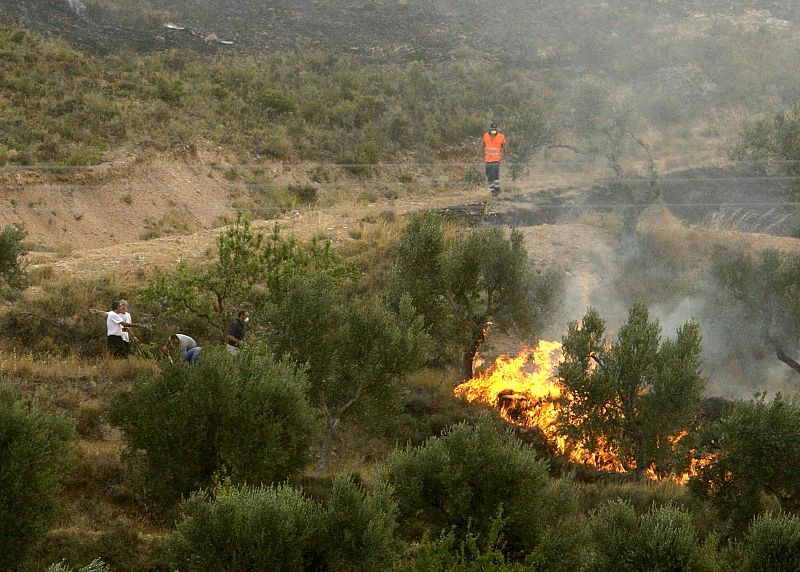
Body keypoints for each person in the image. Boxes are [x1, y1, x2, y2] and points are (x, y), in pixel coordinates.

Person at [482, 122, 506, 197]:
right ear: (490, 128)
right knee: (489, 176)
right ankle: (493, 190)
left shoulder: (501, 136)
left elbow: (502, 147)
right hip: (487, 160)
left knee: (495, 175)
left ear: (497, 129)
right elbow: (484, 145)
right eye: (492, 129)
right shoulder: (485, 135)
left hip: (496, 159)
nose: (493, 130)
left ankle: (496, 190)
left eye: (495, 129)